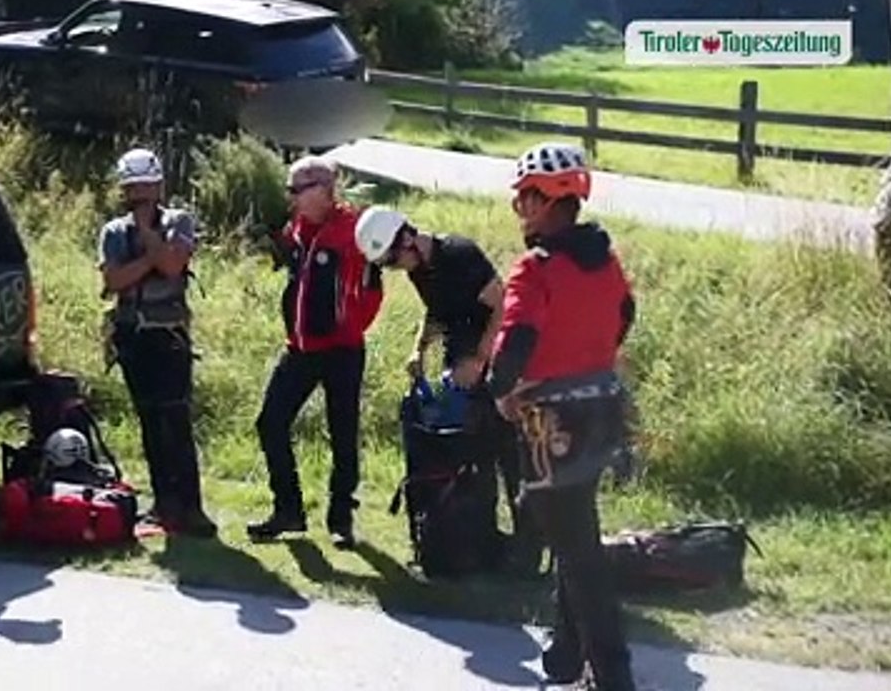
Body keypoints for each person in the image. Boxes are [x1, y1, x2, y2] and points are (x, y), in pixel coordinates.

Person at [486, 141, 637, 691]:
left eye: (524, 198)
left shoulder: (536, 268)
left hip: (552, 424)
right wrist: (590, 357)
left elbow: (517, 339)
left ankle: (613, 676)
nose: (519, 209)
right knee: (577, 534)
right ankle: (565, 657)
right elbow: (624, 314)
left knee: (579, 555)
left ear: (547, 200)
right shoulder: (605, 260)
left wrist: (501, 391)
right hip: (603, 408)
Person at [352, 205, 533, 560]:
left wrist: (480, 360)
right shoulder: (420, 270)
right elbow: (436, 312)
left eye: (393, 260)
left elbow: (502, 306)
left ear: (407, 238)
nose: (395, 268)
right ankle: (483, 543)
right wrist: (418, 350)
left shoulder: (459, 255)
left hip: (495, 367)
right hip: (461, 368)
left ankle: (528, 550)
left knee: (511, 458)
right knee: (474, 459)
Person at [247, 156, 383, 549]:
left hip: (343, 349)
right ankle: (288, 508)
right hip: (301, 348)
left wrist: (349, 325)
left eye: (297, 190)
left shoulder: (355, 230)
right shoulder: (298, 228)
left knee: (343, 433)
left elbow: (373, 289)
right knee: (270, 422)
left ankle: (341, 519)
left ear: (325, 190)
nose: (291, 197)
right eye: (289, 190)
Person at [97, 147, 216, 538]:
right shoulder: (114, 232)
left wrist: (150, 240)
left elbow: (171, 265)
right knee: (149, 420)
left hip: (169, 335)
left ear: (160, 186)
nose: (140, 195)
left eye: (146, 187)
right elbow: (114, 281)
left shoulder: (178, 221)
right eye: (133, 188)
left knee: (176, 420)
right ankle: (164, 504)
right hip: (132, 335)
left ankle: (191, 507)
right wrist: (153, 258)